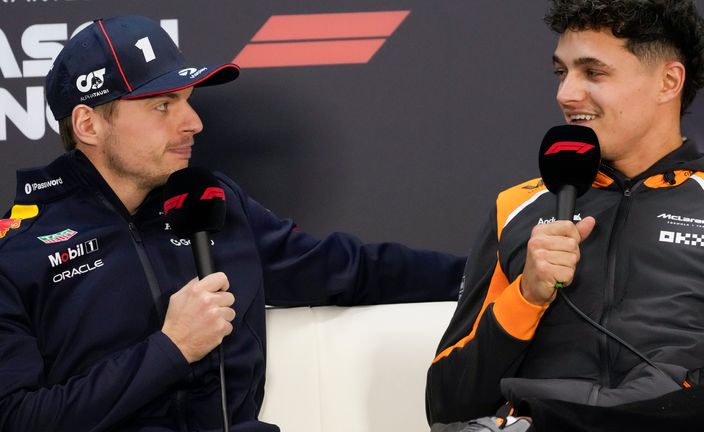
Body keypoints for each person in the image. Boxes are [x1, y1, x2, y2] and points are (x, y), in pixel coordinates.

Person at [0, 15, 465, 431]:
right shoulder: (18, 252)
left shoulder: (210, 200)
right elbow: (17, 418)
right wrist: (172, 346)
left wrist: (487, 272)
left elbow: (348, 270)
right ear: (88, 125)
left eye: (187, 99)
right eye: (162, 105)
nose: (193, 122)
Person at [426, 0, 704, 430]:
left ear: (668, 81)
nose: (565, 94)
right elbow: (446, 406)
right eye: (561, 72)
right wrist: (526, 296)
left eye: (593, 72)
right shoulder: (515, 209)